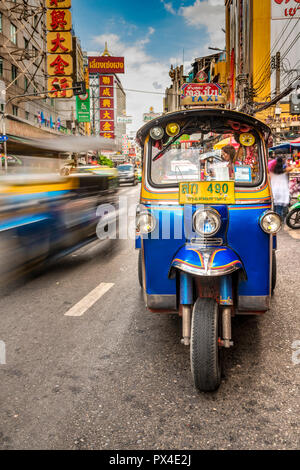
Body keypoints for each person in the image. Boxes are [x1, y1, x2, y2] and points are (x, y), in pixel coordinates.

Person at [269, 156, 293, 222]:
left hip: (274, 191)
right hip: (282, 192)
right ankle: (279, 221)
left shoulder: (271, 172)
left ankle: (276, 219)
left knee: (275, 208)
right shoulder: (284, 171)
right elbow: (291, 168)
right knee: (280, 209)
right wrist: (287, 164)